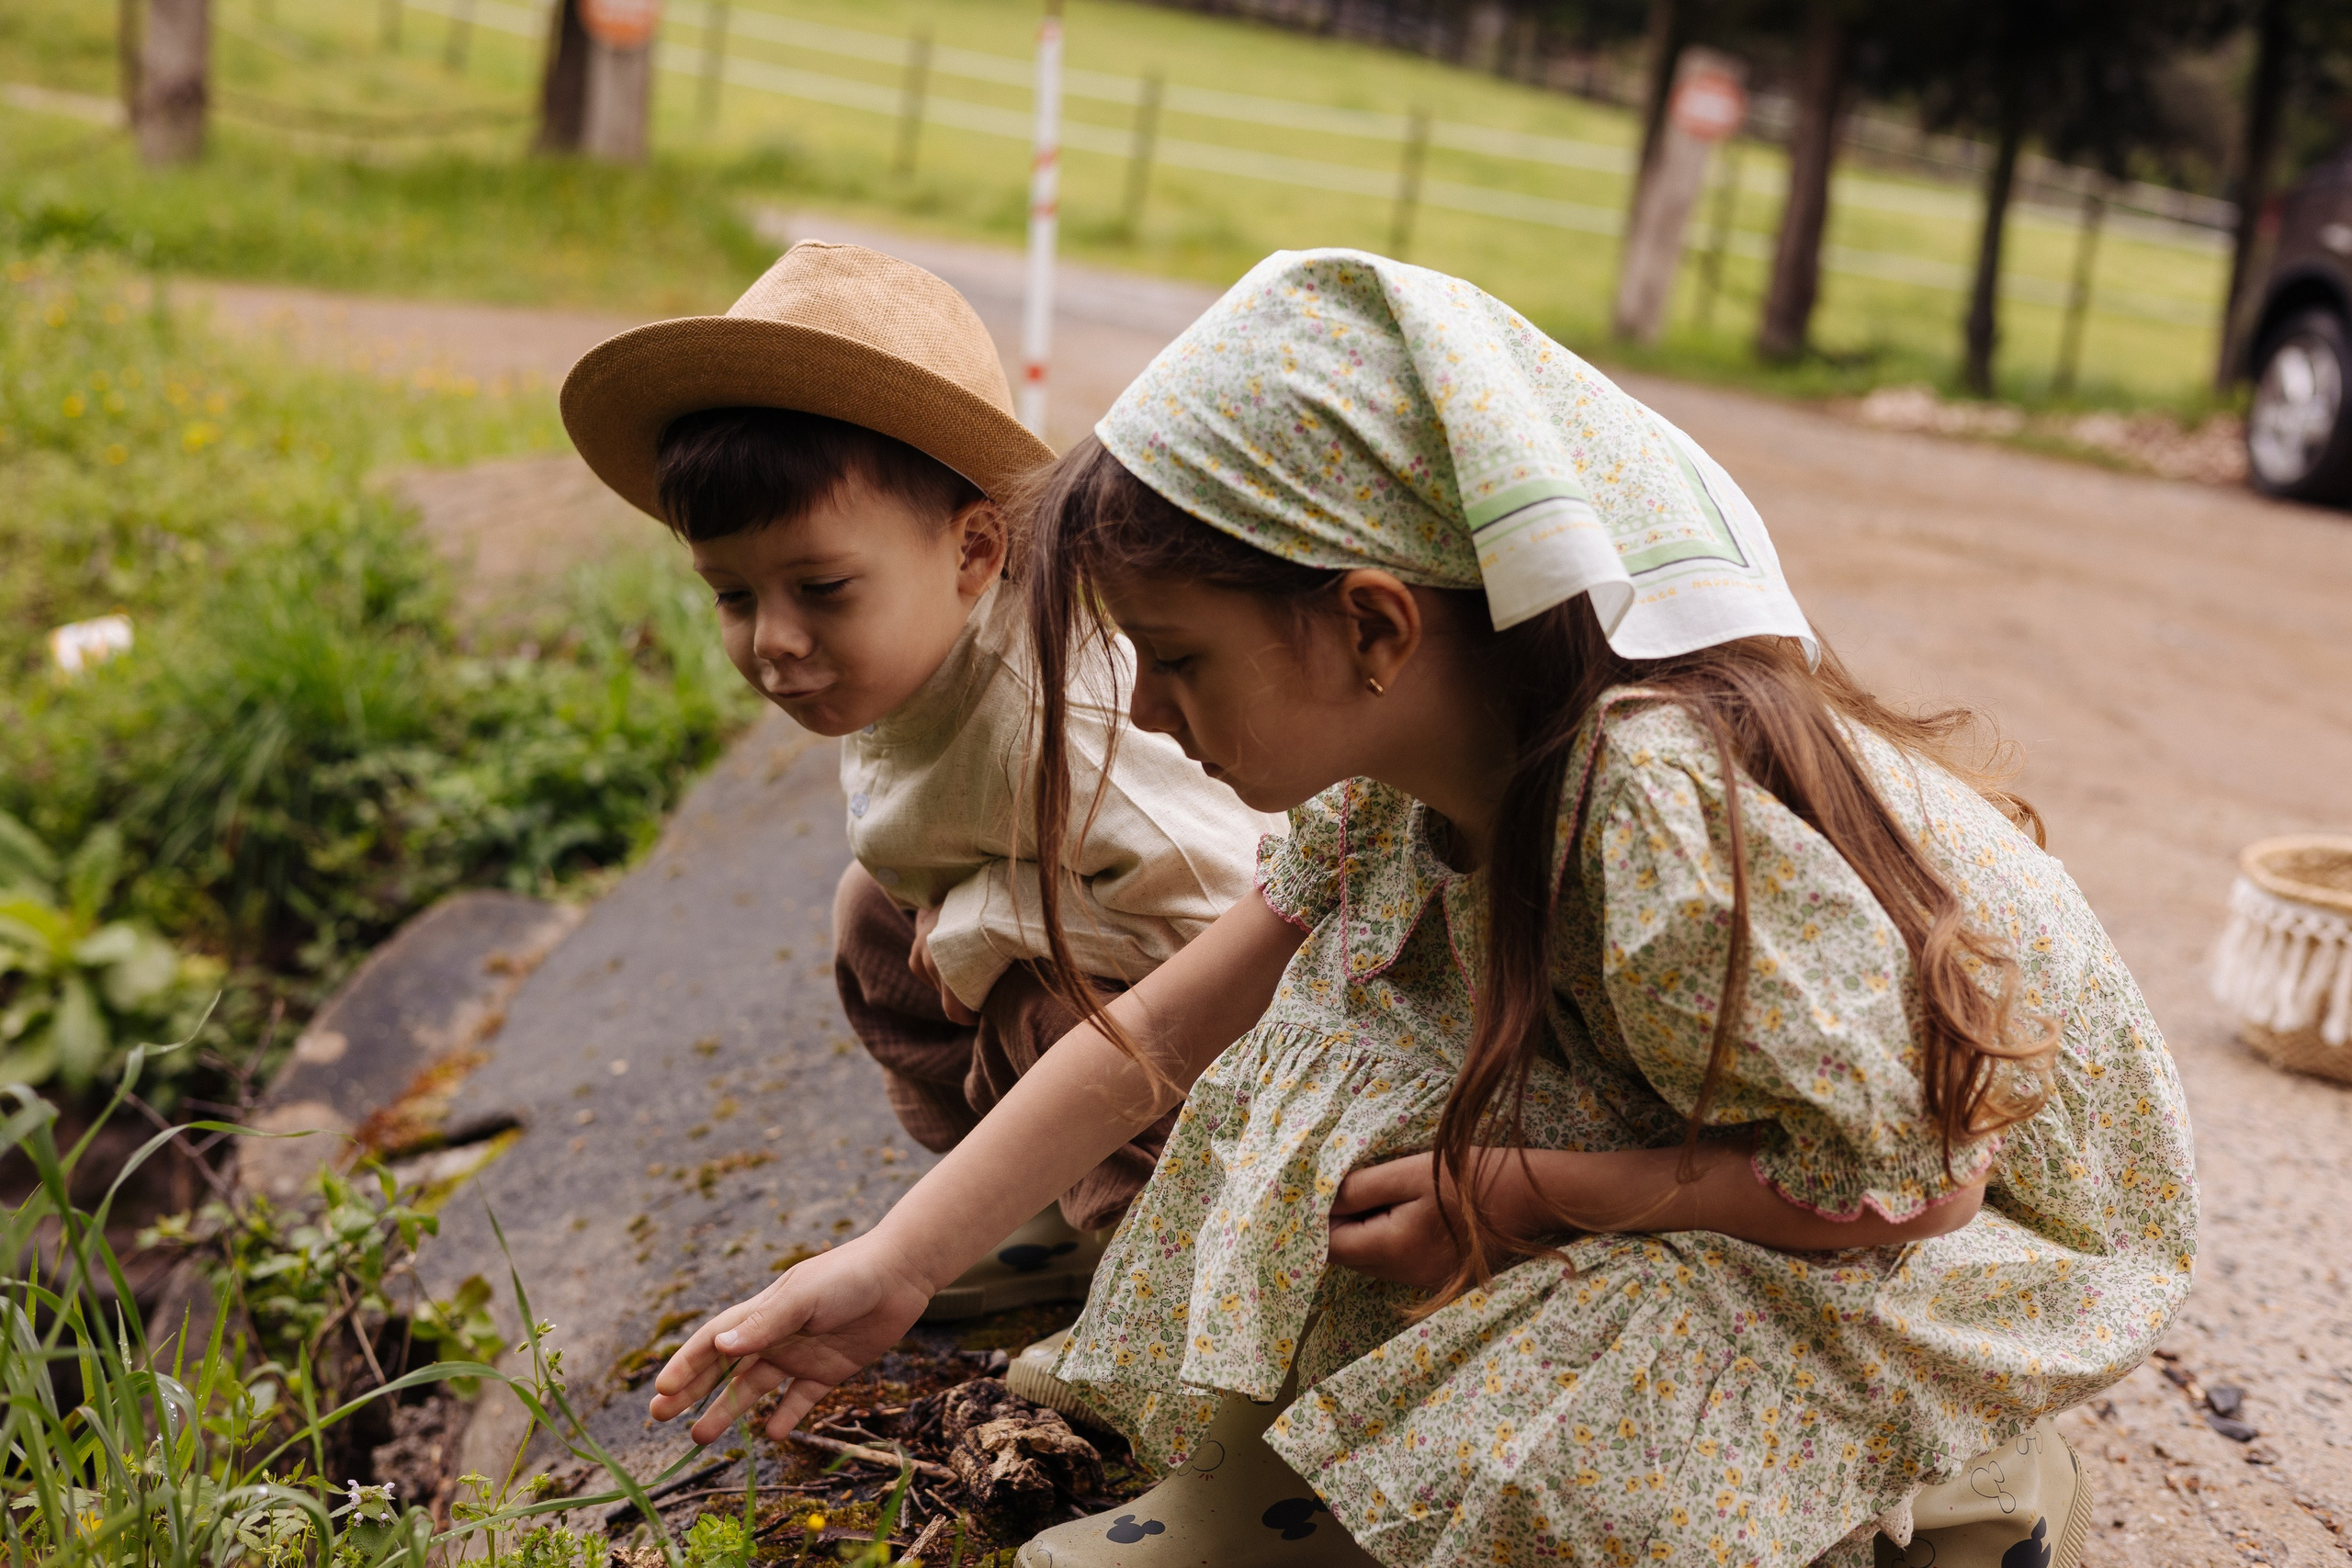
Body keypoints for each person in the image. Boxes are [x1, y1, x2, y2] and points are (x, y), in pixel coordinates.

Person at [646, 251, 2197, 1568]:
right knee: (1334, 1155)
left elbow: (1914, 1186)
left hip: (1944, 1219)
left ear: (1375, 625)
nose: (1154, 711)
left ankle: (1971, 1486)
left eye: (1178, 660)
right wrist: (901, 1259)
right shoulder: (1399, 781)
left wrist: (1526, 1189)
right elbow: (1159, 1033)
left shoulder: (1655, 807)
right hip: (1720, 1138)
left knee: (1554, 1430)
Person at [559, 240, 1282, 1319]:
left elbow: (1237, 925)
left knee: (1050, 1012)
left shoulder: (1069, 731)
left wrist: (992, 920)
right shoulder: (918, 658)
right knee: (873, 922)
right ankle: (1036, 1198)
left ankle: (1179, 1297)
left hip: (1249, 1058)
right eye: (733, 596)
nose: (773, 641)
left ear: (974, 553)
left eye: (822, 588)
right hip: (1111, 950)